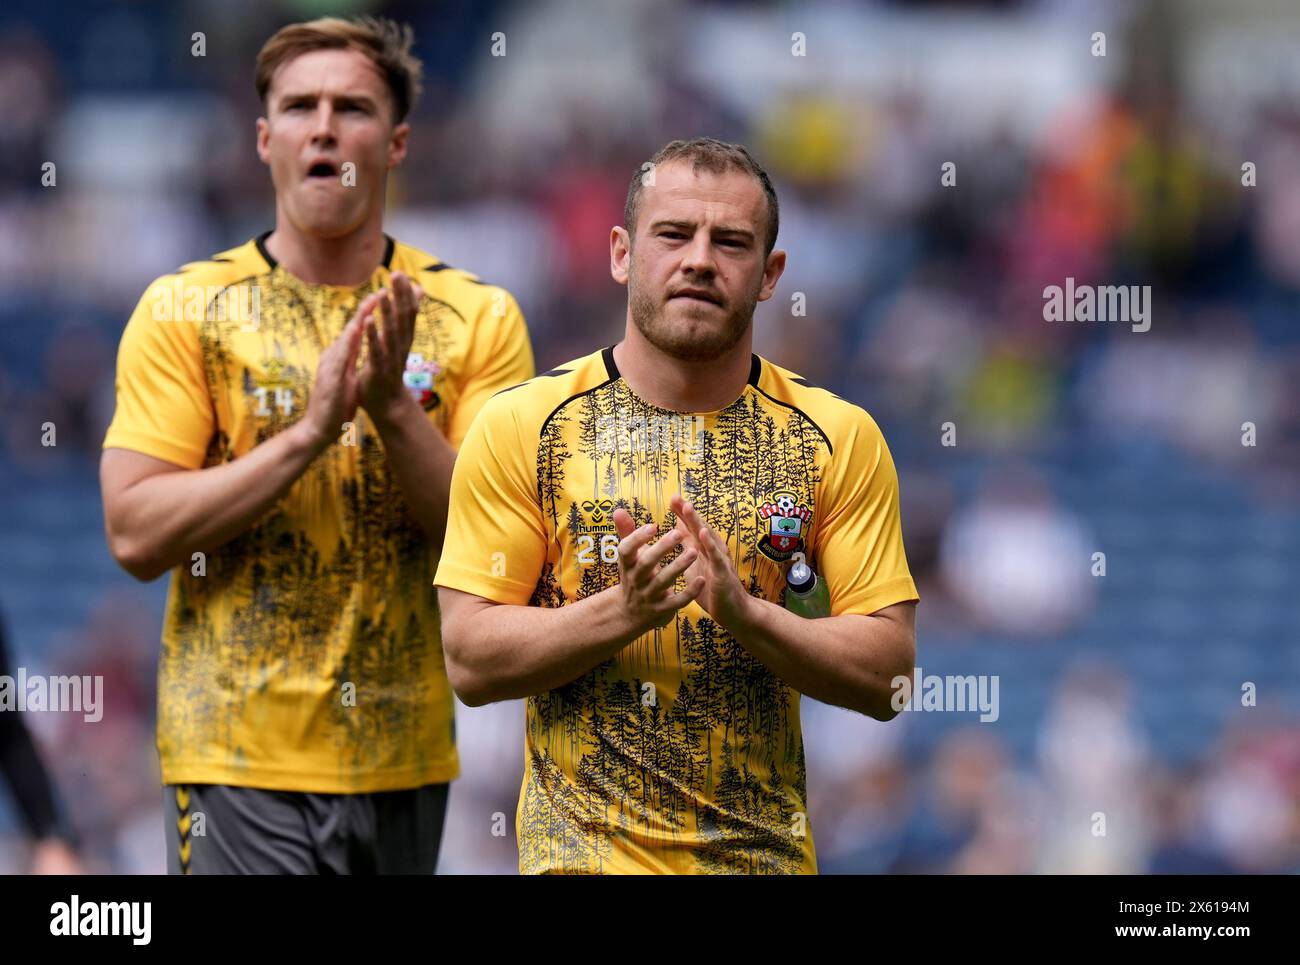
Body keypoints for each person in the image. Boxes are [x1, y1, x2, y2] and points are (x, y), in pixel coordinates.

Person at [99, 16, 534, 874]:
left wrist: (390, 408)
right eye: (300, 106)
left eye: (353, 107)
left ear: (397, 140)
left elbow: (494, 547)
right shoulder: (186, 309)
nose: (325, 125)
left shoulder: (477, 316)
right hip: (232, 755)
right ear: (266, 140)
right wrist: (308, 434)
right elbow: (135, 533)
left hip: (404, 753)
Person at [434, 137, 918, 874]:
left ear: (769, 274)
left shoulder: (837, 438)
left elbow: (891, 677)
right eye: (673, 234)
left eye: (731, 242)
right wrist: (623, 611)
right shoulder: (523, 427)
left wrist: (747, 614)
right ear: (622, 254)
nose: (699, 259)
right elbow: (469, 658)